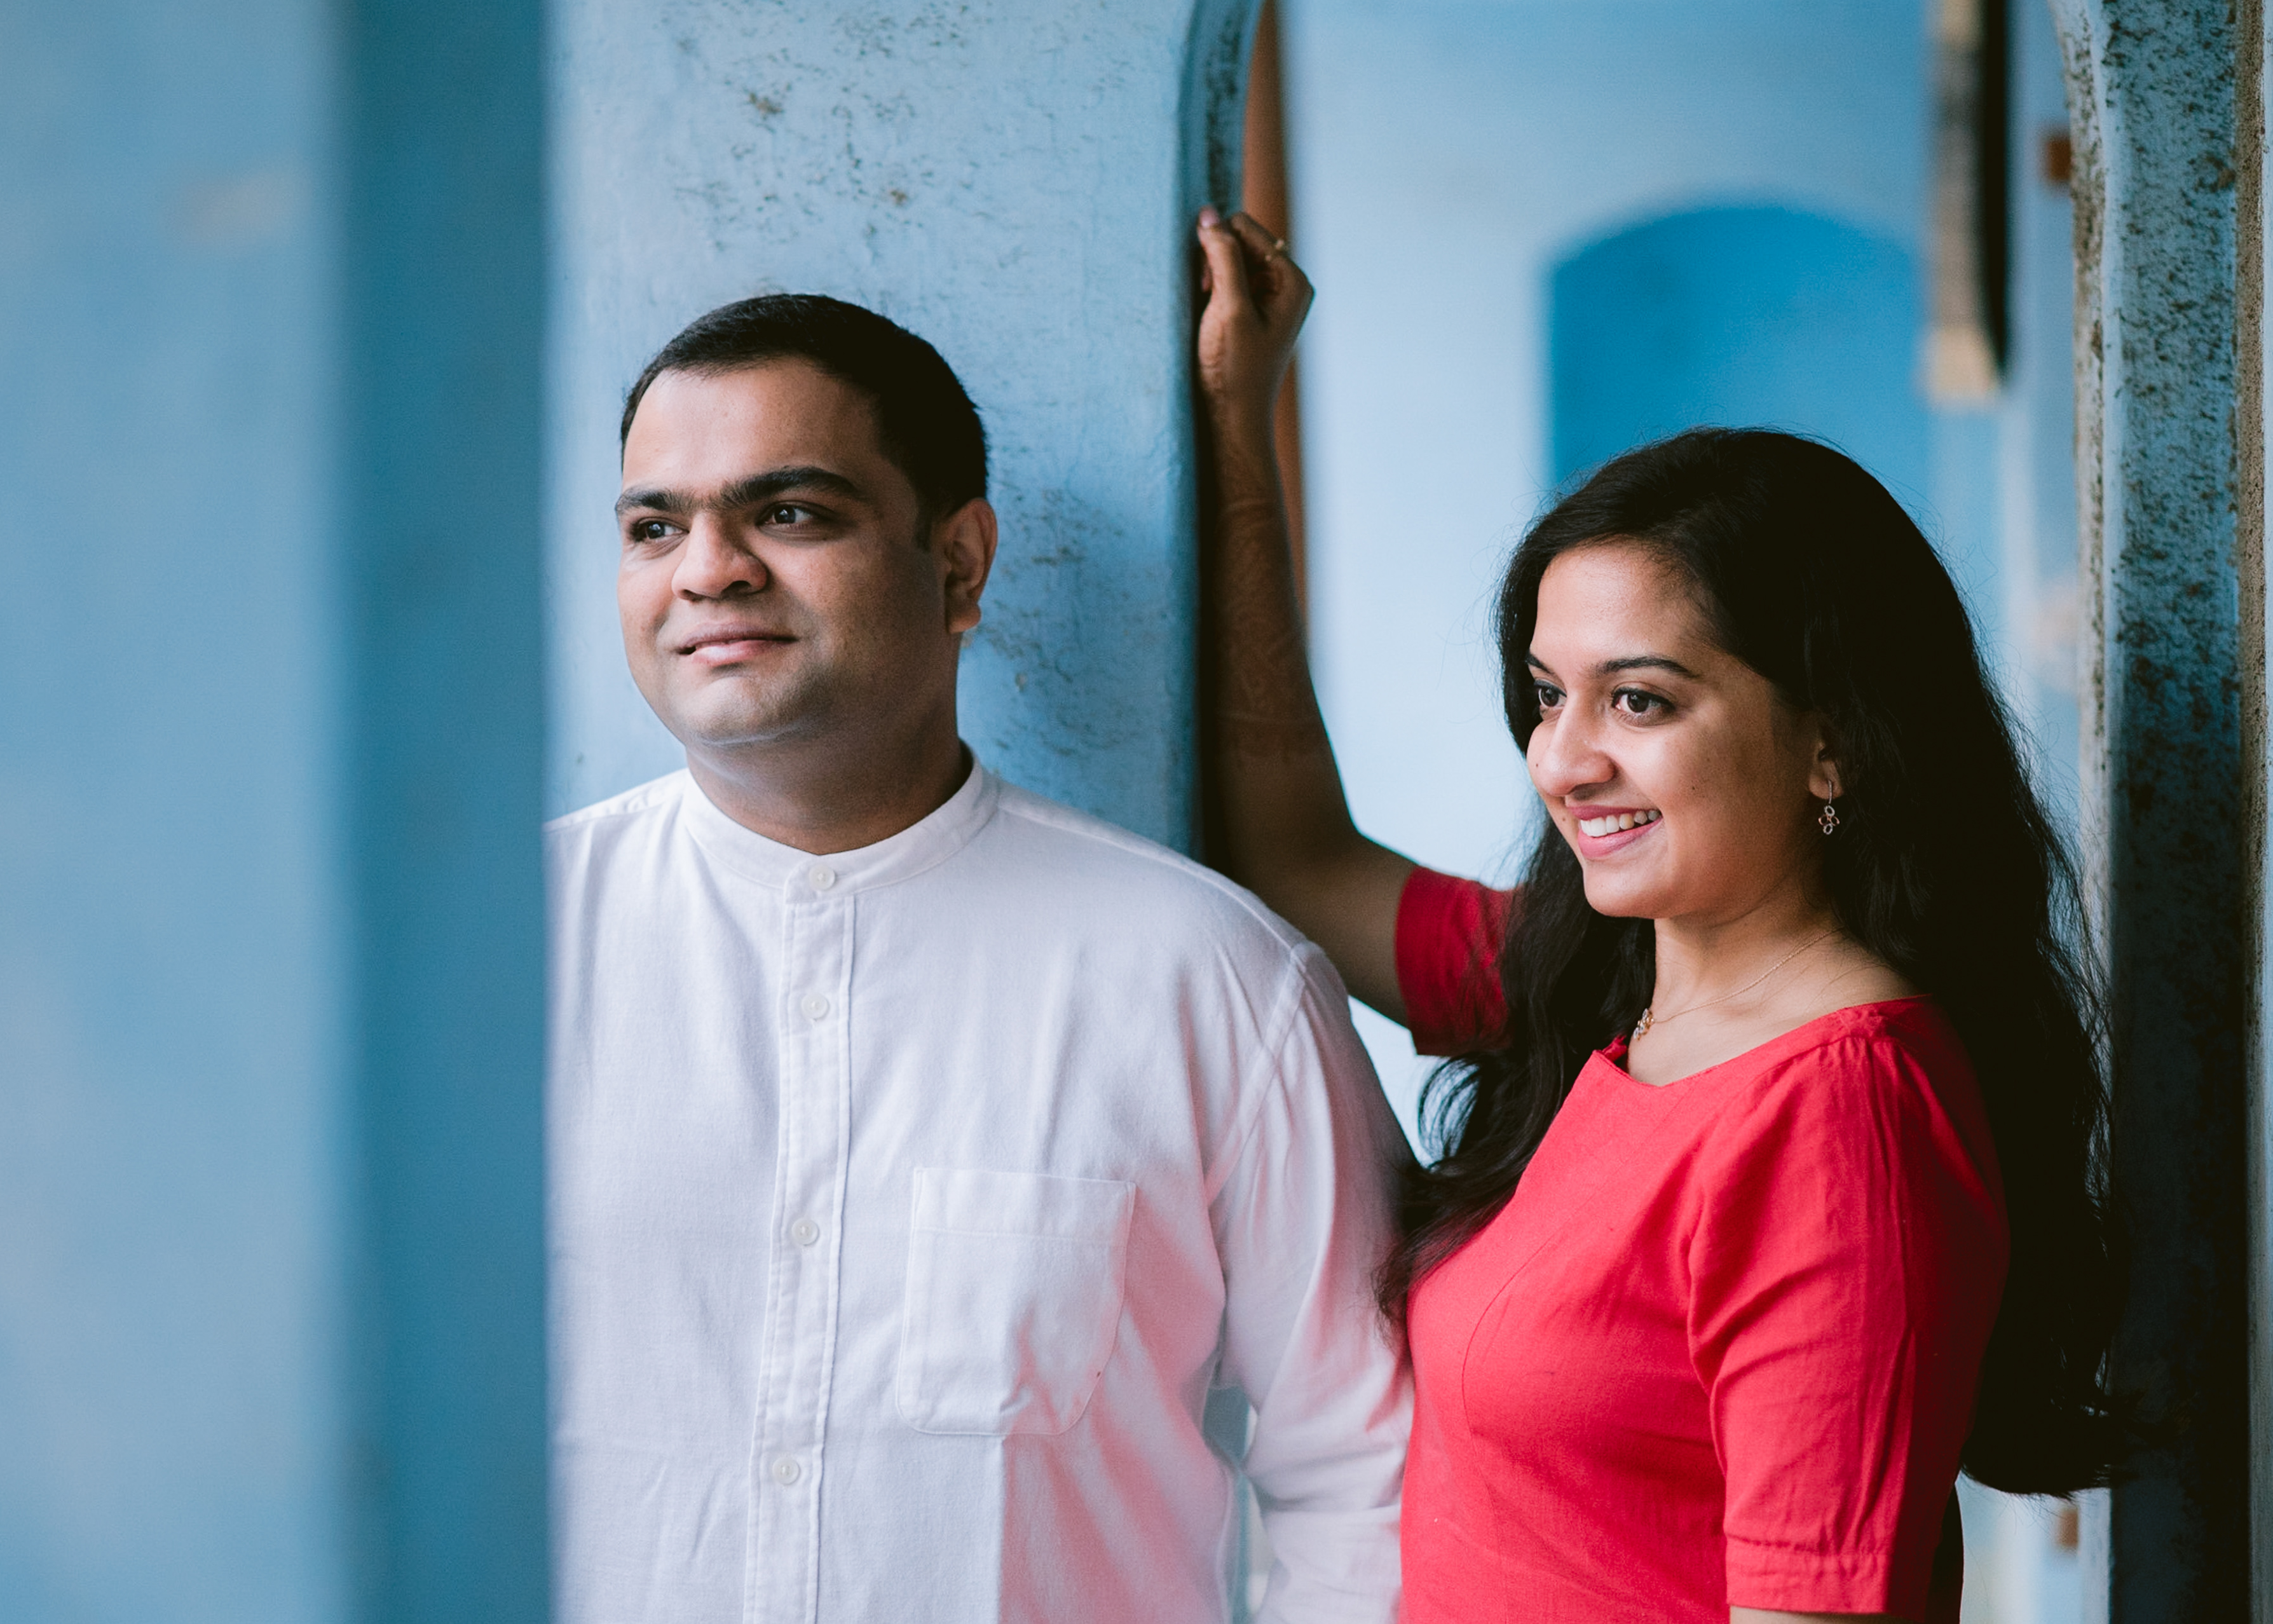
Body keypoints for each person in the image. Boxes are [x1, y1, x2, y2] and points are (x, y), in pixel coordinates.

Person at [1189, 209, 2120, 1623]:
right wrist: (1232, 430)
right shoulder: (1606, 987)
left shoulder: (1840, 1115)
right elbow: (1300, 858)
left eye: (1641, 701)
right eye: (1547, 696)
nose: (1564, 761)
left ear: (1832, 742)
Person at [545, 292, 1410, 1624]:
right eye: (655, 527)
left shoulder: (1205, 979)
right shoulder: (503, 963)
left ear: (958, 564)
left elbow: (1366, 1474)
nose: (707, 570)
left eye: (790, 513)